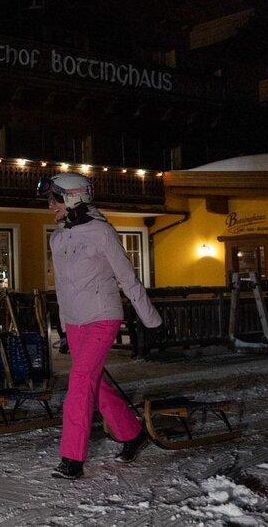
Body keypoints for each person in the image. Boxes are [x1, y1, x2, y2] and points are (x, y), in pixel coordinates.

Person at [36, 172, 163, 479]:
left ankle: (72, 459)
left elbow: (127, 277)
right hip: (77, 322)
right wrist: (65, 331)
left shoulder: (101, 232)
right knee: (95, 383)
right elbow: (63, 290)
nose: (50, 205)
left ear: (73, 197)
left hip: (103, 317)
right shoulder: (58, 237)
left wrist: (151, 320)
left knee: (79, 382)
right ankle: (132, 433)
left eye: (54, 199)